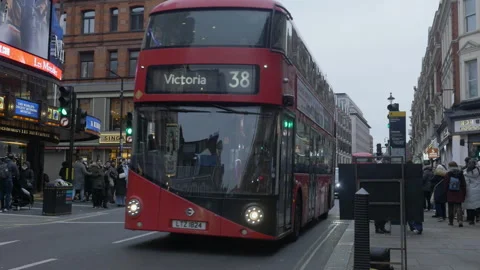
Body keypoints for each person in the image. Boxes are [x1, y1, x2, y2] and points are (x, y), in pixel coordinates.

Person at [445, 161, 467, 227]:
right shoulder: (460, 173)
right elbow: (463, 184)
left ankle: (451, 221)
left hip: (450, 192)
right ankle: (460, 220)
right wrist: (464, 192)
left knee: (450, 207)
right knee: (459, 206)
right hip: (459, 192)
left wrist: (446, 192)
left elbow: (446, 184)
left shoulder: (448, 174)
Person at [463, 159, 480, 225]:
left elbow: (466, 181)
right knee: (477, 204)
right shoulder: (478, 170)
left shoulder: (466, 172)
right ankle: (478, 217)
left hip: (469, 190)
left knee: (470, 206)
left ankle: (471, 219)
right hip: (478, 189)